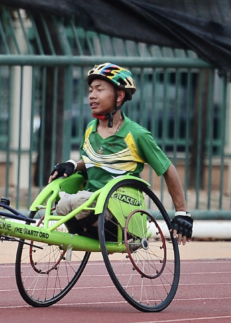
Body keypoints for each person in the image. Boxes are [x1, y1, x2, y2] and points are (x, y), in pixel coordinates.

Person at [48, 63, 193, 245]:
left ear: (120, 96)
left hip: (119, 214)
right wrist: (73, 165)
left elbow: (168, 169)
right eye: (91, 90)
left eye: (99, 89)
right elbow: (95, 162)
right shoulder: (90, 129)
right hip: (90, 207)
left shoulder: (137, 135)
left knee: (76, 201)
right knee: (58, 201)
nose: (92, 95)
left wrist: (181, 213)